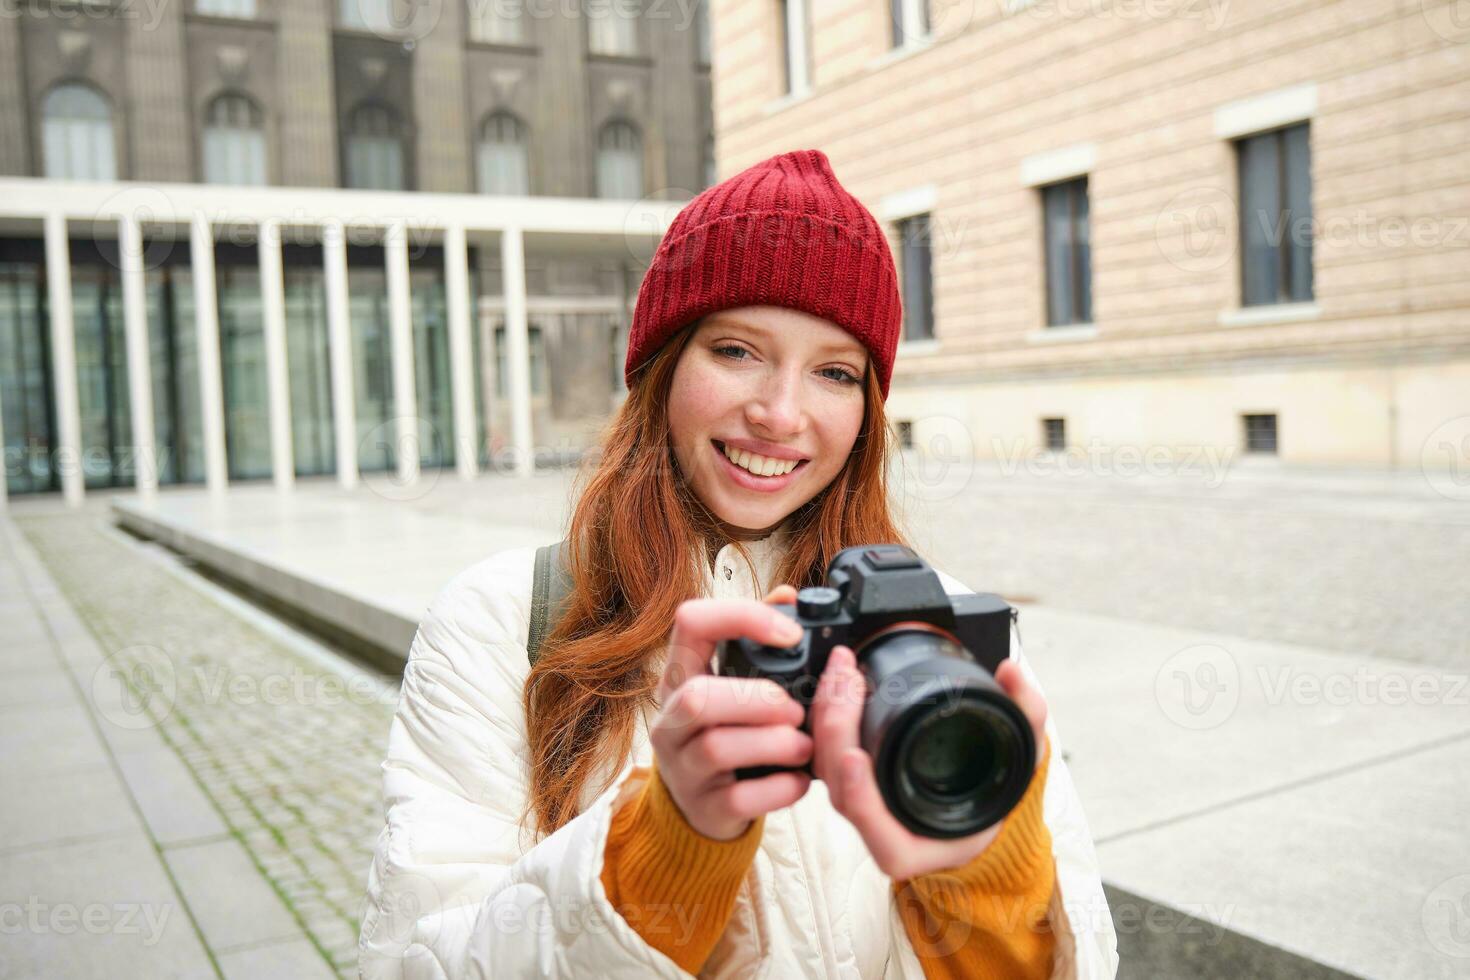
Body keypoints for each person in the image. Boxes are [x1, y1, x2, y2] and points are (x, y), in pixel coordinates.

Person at [358, 148, 1119, 979]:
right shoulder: (499, 621)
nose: (780, 413)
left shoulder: (946, 633)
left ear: (868, 412)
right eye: (736, 351)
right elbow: (413, 961)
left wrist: (983, 878)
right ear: (660, 366)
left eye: (835, 372)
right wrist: (661, 852)